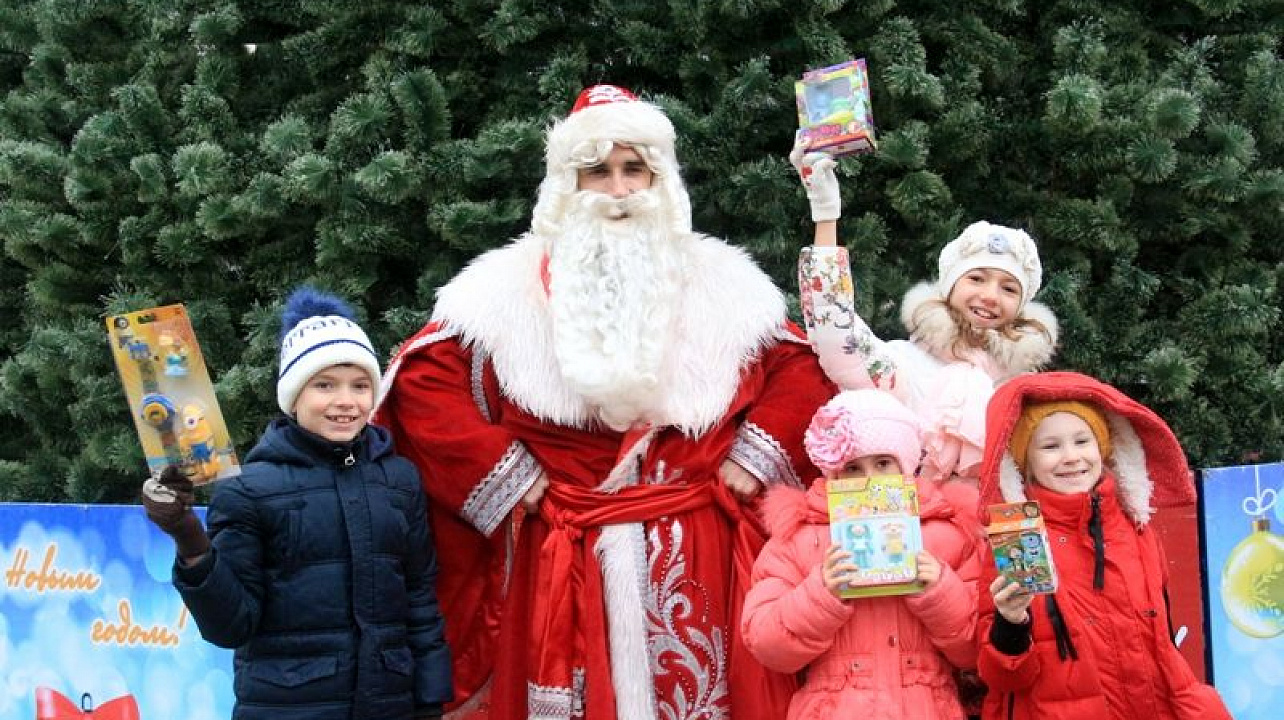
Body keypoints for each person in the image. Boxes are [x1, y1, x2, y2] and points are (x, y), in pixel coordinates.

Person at [374, 84, 835, 720]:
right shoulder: (497, 292)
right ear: (568, 184)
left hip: (695, 548)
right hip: (561, 546)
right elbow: (422, 380)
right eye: (598, 171)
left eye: (633, 170)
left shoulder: (728, 286)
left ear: (659, 179)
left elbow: (804, 367)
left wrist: (755, 456)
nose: (618, 192)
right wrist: (505, 476)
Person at [141, 287, 452, 720]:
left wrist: (430, 700)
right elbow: (231, 625)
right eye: (324, 385)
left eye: (360, 385)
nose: (345, 401)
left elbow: (420, 600)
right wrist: (189, 538)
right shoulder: (248, 490)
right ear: (292, 395)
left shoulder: (400, 481)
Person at [791, 142, 1058, 491]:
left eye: (1009, 289)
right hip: (906, 533)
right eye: (976, 278)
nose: (990, 296)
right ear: (949, 286)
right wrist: (826, 213)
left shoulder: (1022, 386)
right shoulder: (904, 364)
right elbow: (833, 327)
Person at [975, 371, 1232, 720]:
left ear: (1103, 446)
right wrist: (1011, 622)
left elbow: (1162, 647)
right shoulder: (1017, 542)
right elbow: (1003, 676)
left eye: (1083, 441)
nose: (1071, 457)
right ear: (1025, 462)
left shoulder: (1134, 528)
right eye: (1050, 446)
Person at [741, 389, 981, 720]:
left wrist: (940, 590)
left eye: (883, 464)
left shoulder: (948, 534)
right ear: (833, 475)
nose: (869, 481)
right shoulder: (800, 538)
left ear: (906, 467)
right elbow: (765, 642)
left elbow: (977, 647)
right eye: (853, 468)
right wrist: (821, 594)